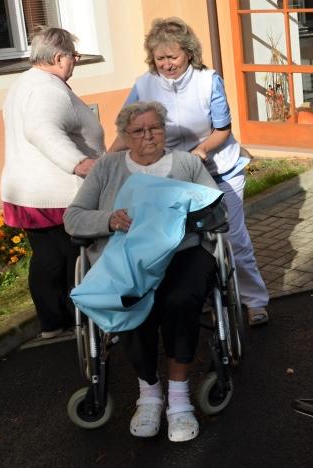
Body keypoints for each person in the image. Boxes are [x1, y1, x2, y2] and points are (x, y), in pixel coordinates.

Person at [65, 101, 217, 442]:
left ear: (165, 130)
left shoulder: (187, 163)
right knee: (130, 299)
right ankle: (149, 393)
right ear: (124, 136)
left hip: (182, 251)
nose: (149, 135)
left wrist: (185, 212)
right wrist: (109, 219)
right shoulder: (107, 167)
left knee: (180, 299)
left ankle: (178, 399)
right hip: (126, 256)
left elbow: (215, 209)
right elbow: (73, 216)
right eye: (139, 130)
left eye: (156, 128)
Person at [109, 17, 270, 326]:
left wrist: (202, 151)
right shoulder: (145, 84)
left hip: (218, 169)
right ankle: (202, 296)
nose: (166, 64)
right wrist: (107, 158)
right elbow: (127, 127)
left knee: (233, 238)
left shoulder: (208, 80)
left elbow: (222, 129)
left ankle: (255, 301)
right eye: (160, 58)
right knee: (182, 241)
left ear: (189, 53)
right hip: (171, 176)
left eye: (173, 57)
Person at [0, 27, 104, 339]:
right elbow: (41, 129)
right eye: (74, 56)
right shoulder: (48, 89)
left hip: (32, 191)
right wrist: (81, 164)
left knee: (49, 260)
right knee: (69, 261)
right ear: (59, 58)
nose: (76, 61)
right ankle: (75, 321)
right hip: (53, 195)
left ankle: (53, 322)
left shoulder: (26, 83)